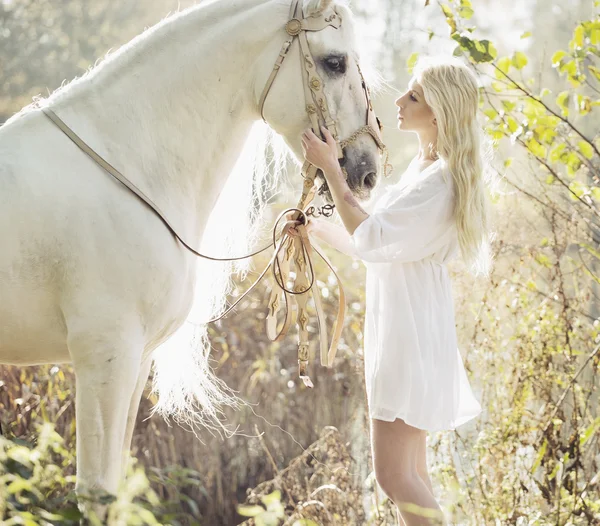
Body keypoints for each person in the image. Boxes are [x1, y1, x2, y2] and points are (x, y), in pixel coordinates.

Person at [287, 56, 494, 525]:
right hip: (409, 325)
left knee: (395, 477)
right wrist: (317, 229)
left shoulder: (438, 184)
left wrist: (331, 170)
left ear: (438, 113)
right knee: (411, 473)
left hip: (409, 331)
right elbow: (374, 243)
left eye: (414, 96)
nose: (399, 101)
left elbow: (375, 237)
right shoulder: (426, 173)